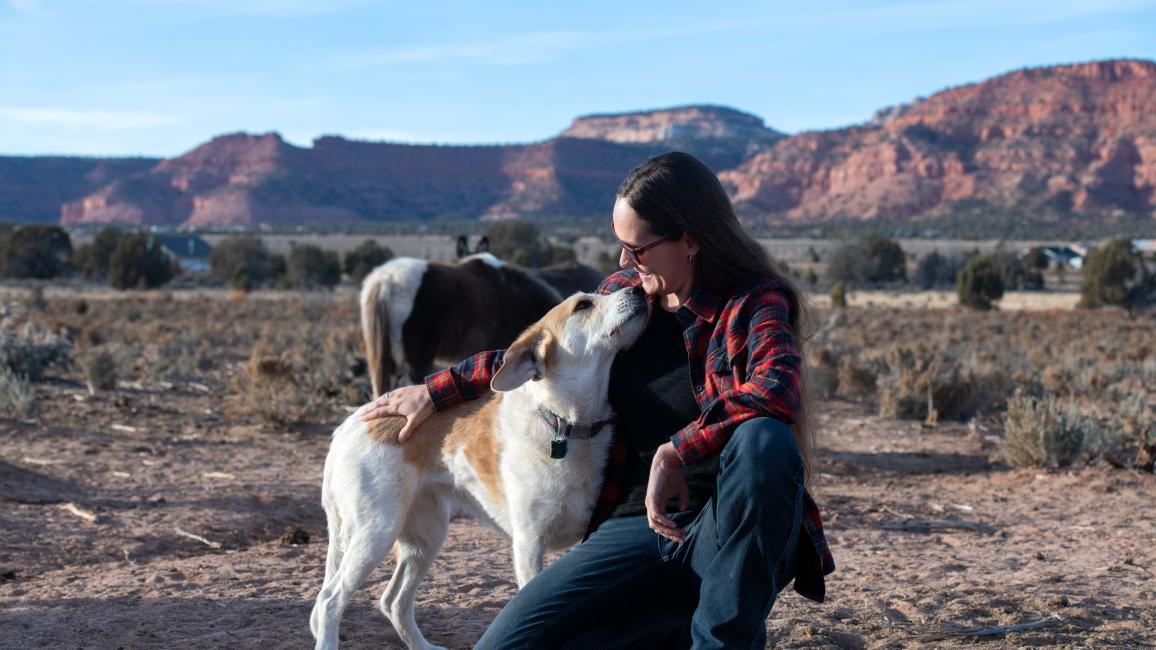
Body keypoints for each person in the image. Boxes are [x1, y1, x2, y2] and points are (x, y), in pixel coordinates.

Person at [362, 151, 835, 649]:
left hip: (728, 525)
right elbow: (547, 346)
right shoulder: (628, 296)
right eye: (620, 246)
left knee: (765, 441)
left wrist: (677, 450)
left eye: (637, 248)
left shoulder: (753, 301)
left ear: (691, 240)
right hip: (638, 526)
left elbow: (776, 388)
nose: (623, 262)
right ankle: (668, 625)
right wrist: (435, 391)